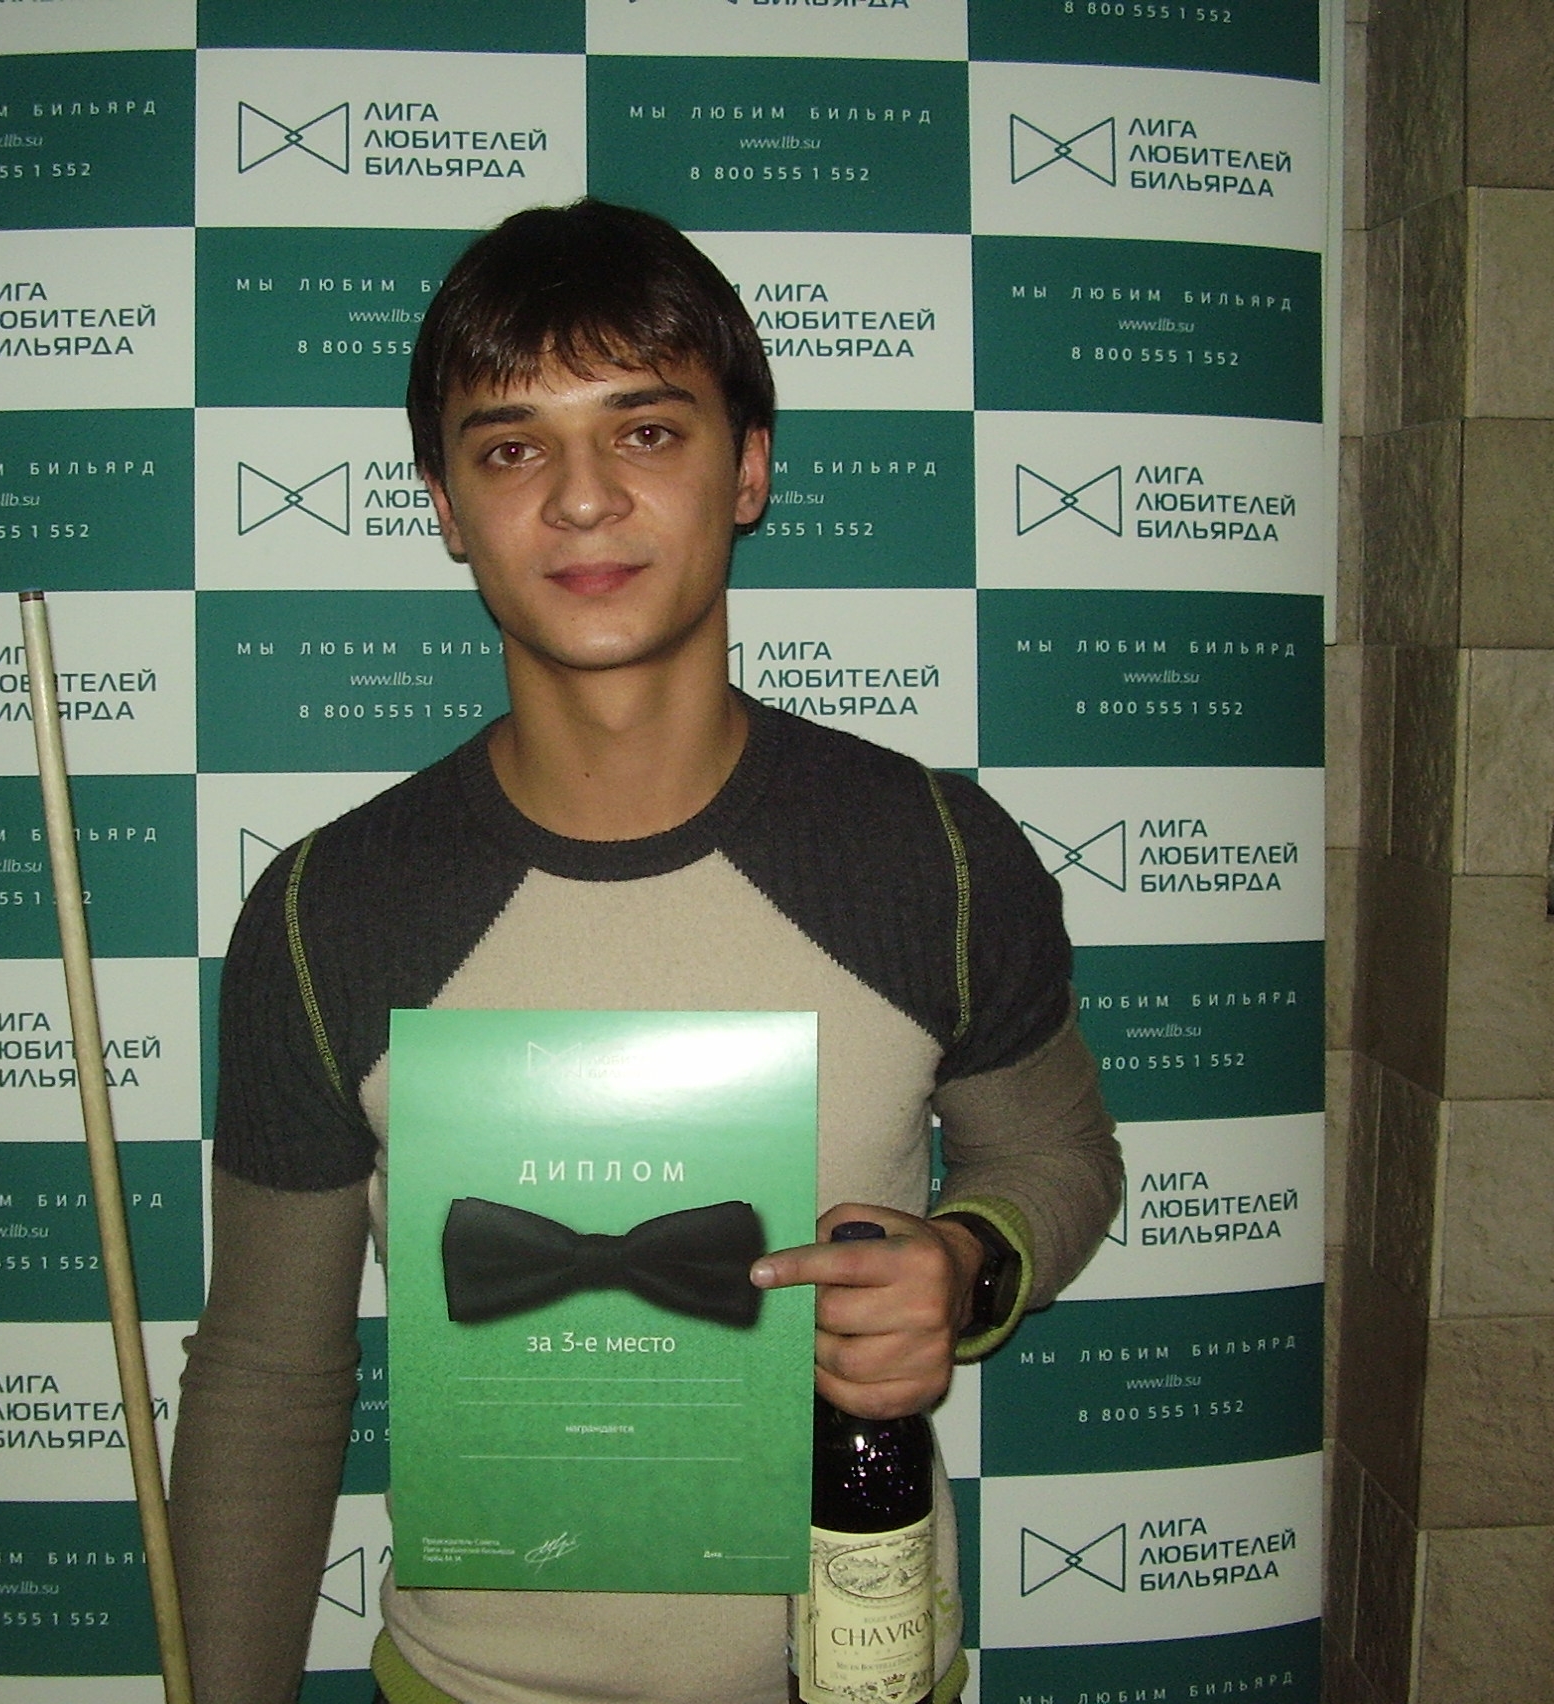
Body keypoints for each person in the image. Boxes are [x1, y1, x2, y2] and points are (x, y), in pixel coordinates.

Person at [170, 197, 1123, 1704]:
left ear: (748, 467)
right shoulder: (323, 910)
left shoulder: (931, 851)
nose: (582, 499)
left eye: (647, 431)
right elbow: (269, 1379)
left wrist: (964, 1261)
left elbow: (1057, 1156)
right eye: (511, 449)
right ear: (445, 504)